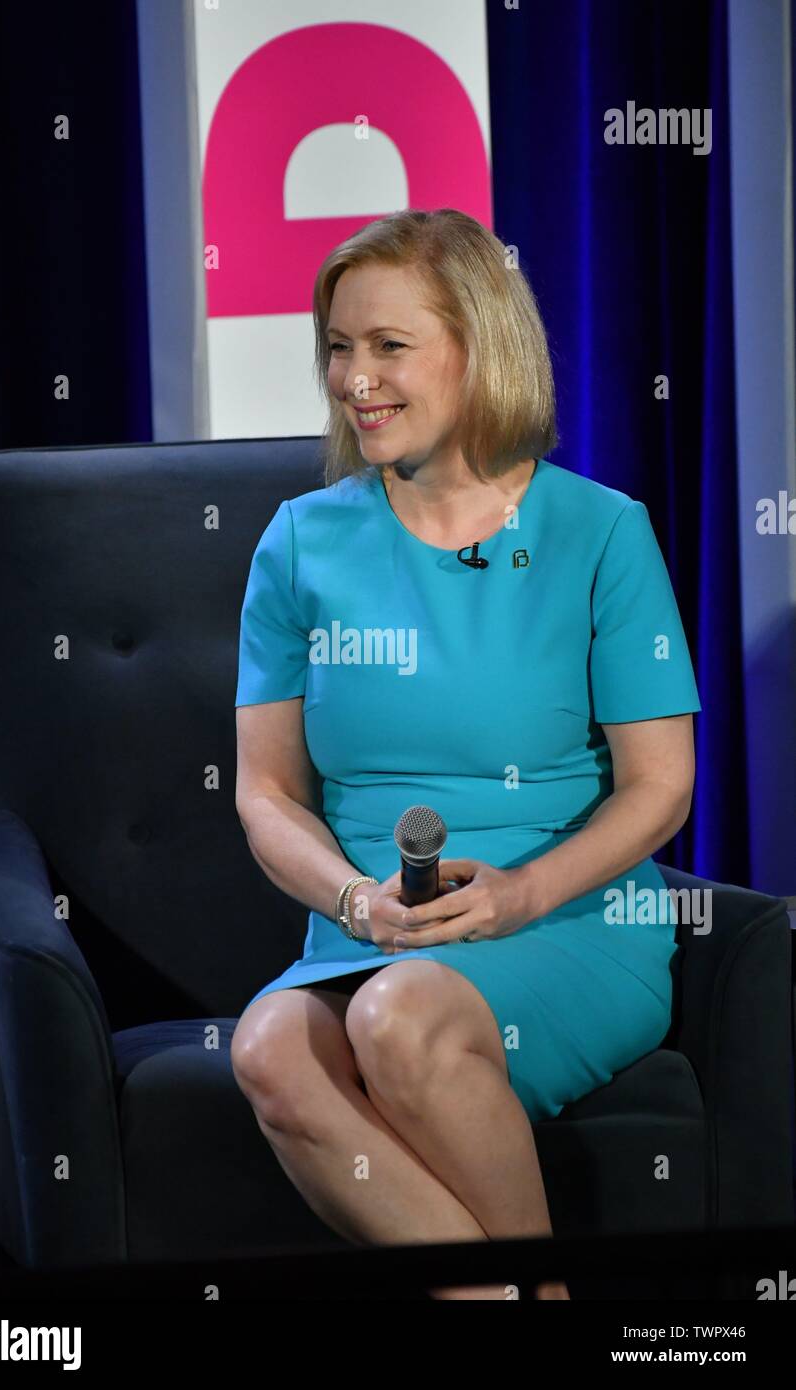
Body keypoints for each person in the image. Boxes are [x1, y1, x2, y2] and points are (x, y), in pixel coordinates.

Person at [230, 208, 701, 1301]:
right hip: (366, 929)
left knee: (402, 1019)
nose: (355, 380)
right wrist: (354, 902)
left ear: (478, 345)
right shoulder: (300, 541)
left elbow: (659, 787)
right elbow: (263, 791)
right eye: (338, 348)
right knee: (266, 1047)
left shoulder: (601, 532)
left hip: (566, 921)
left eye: (388, 346)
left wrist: (519, 893)